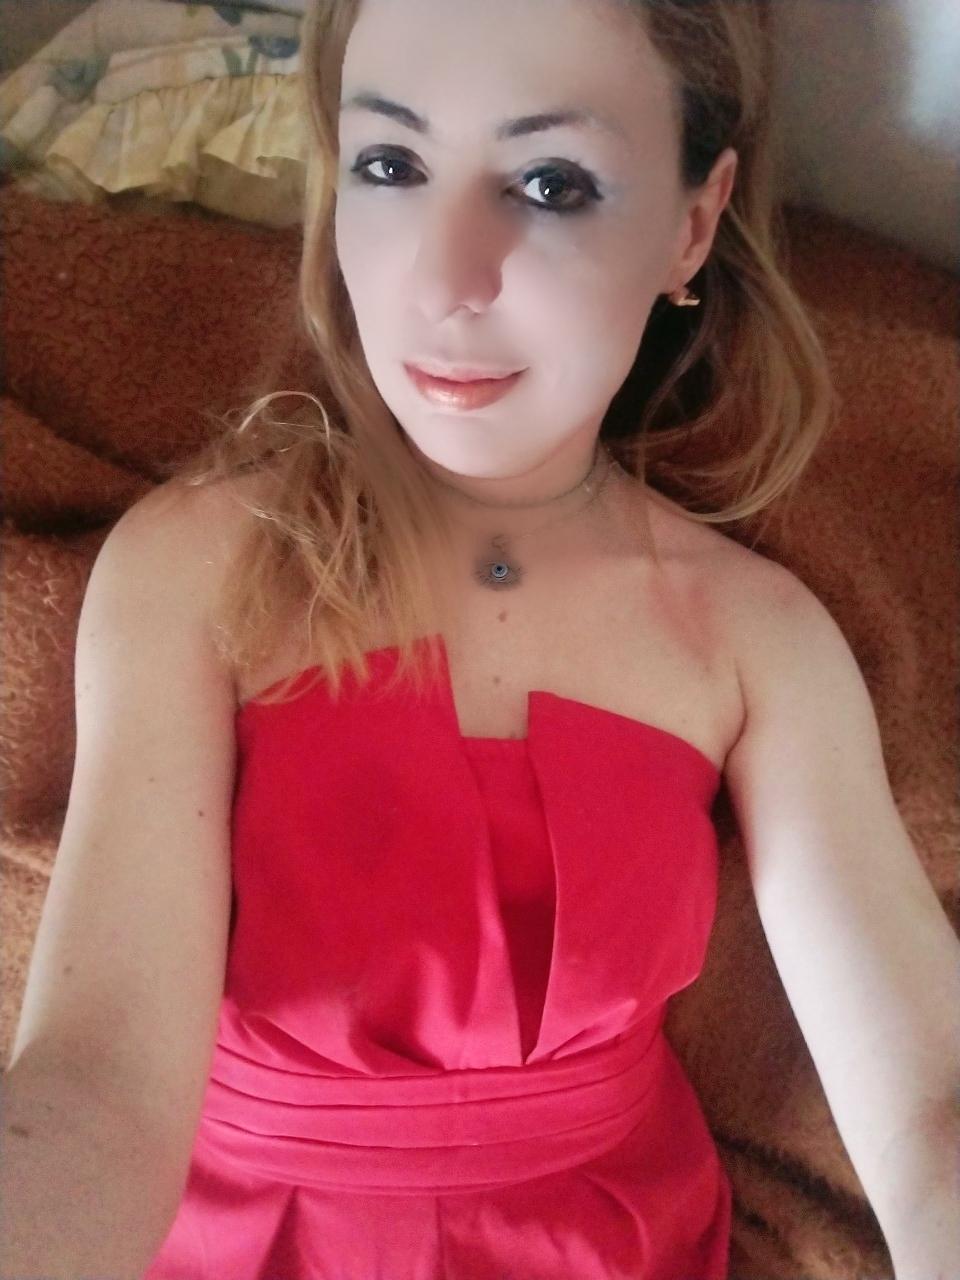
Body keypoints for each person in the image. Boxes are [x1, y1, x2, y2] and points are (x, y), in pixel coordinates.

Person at [9, 0, 914, 1277]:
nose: (443, 279)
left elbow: (927, 1096)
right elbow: (95, 1075)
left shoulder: (758, 637)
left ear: (692, 222)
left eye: (550, 183)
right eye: (391, 164)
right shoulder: (198, 563)